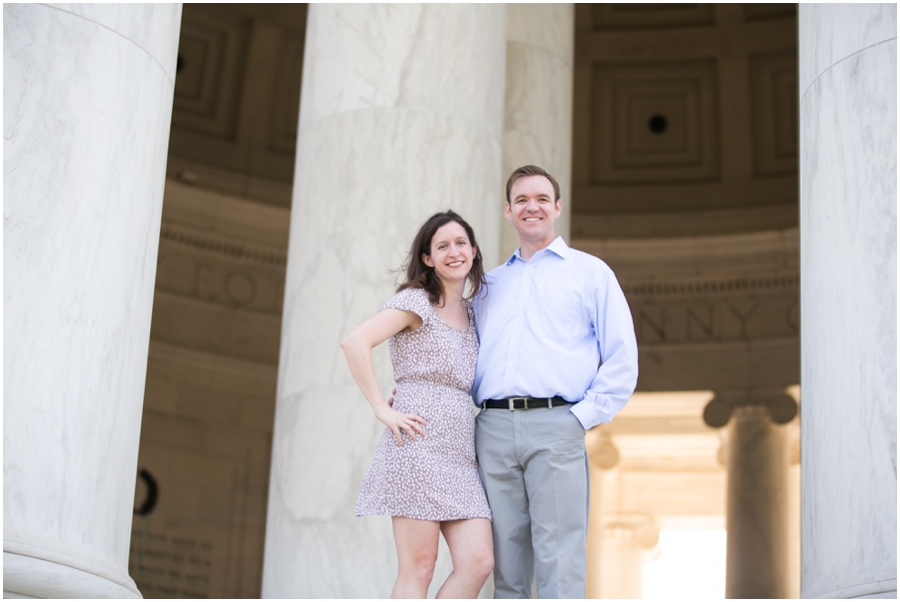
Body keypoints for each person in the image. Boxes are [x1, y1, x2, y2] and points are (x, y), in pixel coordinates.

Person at [472, 165, 639, 599]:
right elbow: (464, 354)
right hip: (490, 430)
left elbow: (622, 356)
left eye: (542, 199)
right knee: (506, 566)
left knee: (560, 563)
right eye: (523, 200)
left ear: (557, 208)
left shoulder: (590, 273)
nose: (533, 207)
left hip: (557, 425)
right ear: (508, 211)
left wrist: (580, 418)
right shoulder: (487, 284)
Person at [341, 210, 494, 599]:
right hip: (419, 443)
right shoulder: (417, 301)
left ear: (474, 251)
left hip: (461, 451)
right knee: (419, 567)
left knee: (479, 562)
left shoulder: (475, 313)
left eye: (461, 243)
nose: (453, 252)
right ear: (428, 258)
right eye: (442, 246)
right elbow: (355, 342)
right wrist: (381, 406)